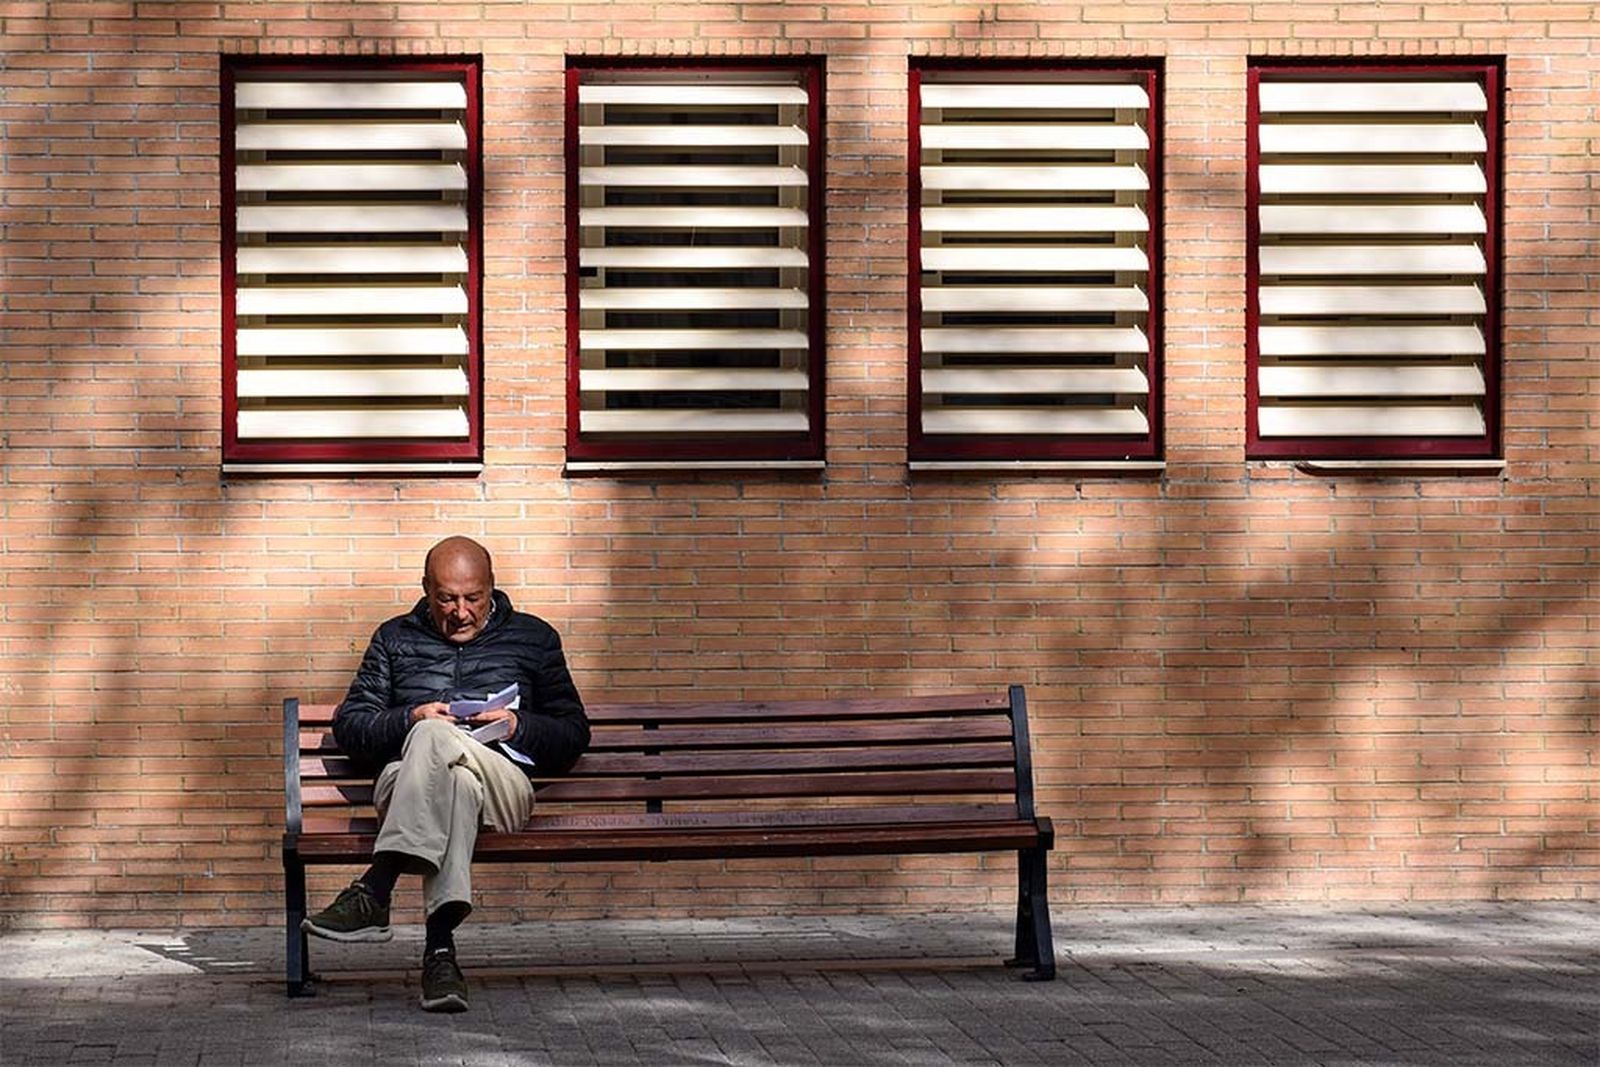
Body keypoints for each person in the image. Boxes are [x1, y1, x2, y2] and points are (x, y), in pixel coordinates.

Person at [300, 536, 588, 1013]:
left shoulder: (535, 638)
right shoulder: (394, 639)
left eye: (473, 598)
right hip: (408, 785)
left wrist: (520, 726)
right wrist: (410, 719)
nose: (460, 612)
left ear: (492, 589)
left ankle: (377, 887)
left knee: (441, 744)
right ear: (426, 590)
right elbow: (351, 725)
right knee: (448, 769)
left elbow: (575, 732)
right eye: (446, 598)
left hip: (504, 784)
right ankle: (439, 953)